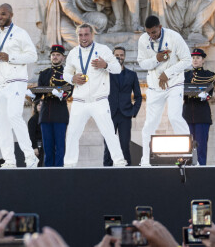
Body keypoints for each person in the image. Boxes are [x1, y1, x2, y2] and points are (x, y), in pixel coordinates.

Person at [63, 23, 127, 167]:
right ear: (77, 36)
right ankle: (69, 163)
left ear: (92, 35)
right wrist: (72, 78)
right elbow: (66, 73)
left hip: (99, 99)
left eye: (86, 34)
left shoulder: (103, 50)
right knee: (73, 133)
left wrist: (105, 65)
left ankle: (119, 161)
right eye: (80, 35)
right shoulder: (73, 52)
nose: (83, 38)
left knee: (109, 132)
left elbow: (117, 69)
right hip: (79, 100)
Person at [0, 3, 38, 168]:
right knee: (1, 123)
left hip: (16, 82)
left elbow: (32, 56)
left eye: (3, 14)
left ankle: (30, 157)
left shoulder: (20, 33)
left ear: (11, 14)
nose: (0, 17)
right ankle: (9, 160)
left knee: (14, 116)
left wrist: (11, 57)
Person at [137, 15, 191, 166]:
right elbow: (142, 63)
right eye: (149, 33)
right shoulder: (143, 40)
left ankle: (186, 155)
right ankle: (146, 159)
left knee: (174, 117)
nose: (151, 36)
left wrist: (167, 74)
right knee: (150, 123)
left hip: (174, 83)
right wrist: (157, 59)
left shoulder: (174, 37)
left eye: (154, 32)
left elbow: (187, 60)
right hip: (154, 87)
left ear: (160, 27)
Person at [103, 45, 142, 166]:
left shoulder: (132, 75)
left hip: (125, 114)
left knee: (125, 145)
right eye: (116, 55)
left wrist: (133, 111)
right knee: (108, 145)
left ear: (124, 57)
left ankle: (127, 173)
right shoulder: (106, 74)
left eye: (121, 55)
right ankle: (105, 173)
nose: (119, 57)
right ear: (112, 57)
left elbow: (138, 96)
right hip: (109, 114)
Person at [36, 44, 72, 167]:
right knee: (47, 148)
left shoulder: (67, 73)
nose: (55, 57)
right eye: (53, 55)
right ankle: (48, 173)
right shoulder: (44, 73)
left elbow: (68, 90)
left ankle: (59, 172)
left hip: (60, 115)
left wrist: (50, 91)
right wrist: (55, 91)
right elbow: (39, 91)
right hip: (45, 115)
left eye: (58, 55)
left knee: (60, 147)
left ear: (63, 57)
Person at [182, 48, 215, 165]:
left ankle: (201, 169)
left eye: (198, 58)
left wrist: (191, 92)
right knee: (187, 147)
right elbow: (181, 92)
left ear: (203, 60)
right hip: (187, 115)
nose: (195, 60)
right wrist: (197, 91)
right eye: (193, 58)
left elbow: (207, 94)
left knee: (201, 147)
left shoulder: (209, 75)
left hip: (202, 115)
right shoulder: (185, 75)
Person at [27, 100, 43, 167]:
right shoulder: (33, 119)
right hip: (37, 145)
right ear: (36, 106)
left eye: (42, 105)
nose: (40, 106)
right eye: (39, 105)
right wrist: (35, 147)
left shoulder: (45, 118)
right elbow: (31, 135)